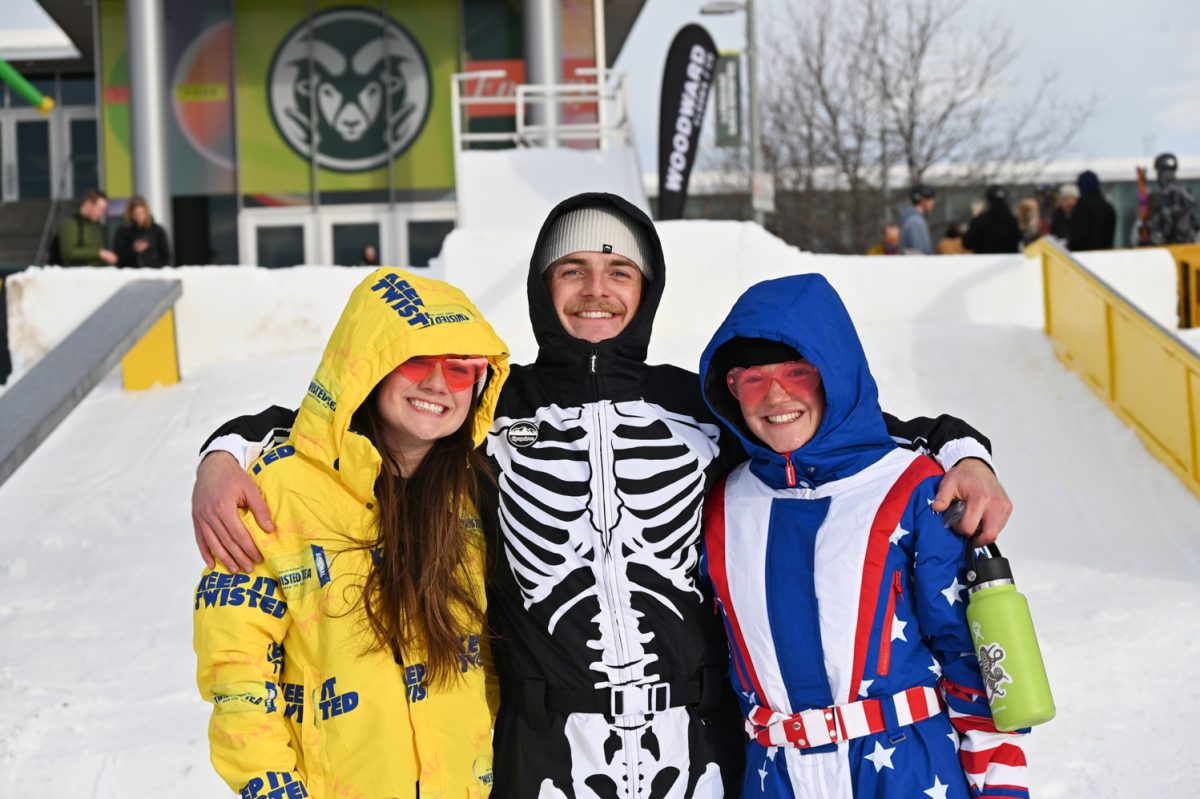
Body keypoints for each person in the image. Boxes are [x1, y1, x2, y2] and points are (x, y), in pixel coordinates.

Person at [191, 193, 1013, 797]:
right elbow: (348, 407)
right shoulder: (492, 403)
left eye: (619, 270)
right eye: (574, 270)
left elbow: (843, 426)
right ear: (544, 285)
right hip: (545, 741)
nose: (596, 289)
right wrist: (223, 449)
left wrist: (962, 447)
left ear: (645, 288)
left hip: (697, 736)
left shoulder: (697, 403)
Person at [699, 274, 1029, 798]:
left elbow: (970, 658)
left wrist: (999, 784)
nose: (776, 395)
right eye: (752, 379)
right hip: (774, 777)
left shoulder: (913, 487)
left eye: (797, 371)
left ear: (834, 373)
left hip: (904, 774)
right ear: (728, 388)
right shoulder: (721, 501)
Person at [193, 268, 510, 797]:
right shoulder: (277, 489)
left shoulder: (477, 495)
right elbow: (238, 674)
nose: (437, 384)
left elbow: (493, 665)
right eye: (415, 360)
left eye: (459, 370)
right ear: (370, 368)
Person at [1146, 152, 1198, 245]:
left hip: (1170, 248)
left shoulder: (1165, 193)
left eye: (1158, 171)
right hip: (1188, 245)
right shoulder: (1186, 191)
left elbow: (1164, 224)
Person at [55, 189, 117, 266]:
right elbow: (69, 252)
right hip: (78, 274)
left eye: (104, 210)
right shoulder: (70, 224)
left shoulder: (96, 225)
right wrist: (99, 253)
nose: (102, 213)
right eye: (100, 209)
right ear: (88, 204)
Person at [113, 195, 171, 268]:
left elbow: (166, 256)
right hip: (131, 272)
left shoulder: (157, 231)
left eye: (141, 213)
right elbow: (118, 257)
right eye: (136, 214)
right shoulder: (123, 232)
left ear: (146, 212)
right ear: (131, 214)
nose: (139, 216)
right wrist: (133, 250)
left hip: (154, 273)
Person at [963, 185, 1021, 254]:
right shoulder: (1014, 221)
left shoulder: (980, 220)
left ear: (988, 199)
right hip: (1010, 263)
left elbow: (967, 244)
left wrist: (975, 217)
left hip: (985, 262)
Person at [1066, 170, 1116, 251]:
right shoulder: (1107, 207)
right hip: (1105, 255)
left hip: (1083, 257)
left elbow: (1078, 236)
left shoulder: (1081, 206)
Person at [898, 185, 935, 255]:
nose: (933, 203)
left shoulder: (907, 218)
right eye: (931, 199)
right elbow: (922, 252)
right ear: (923, 200)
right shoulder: (916, 221)